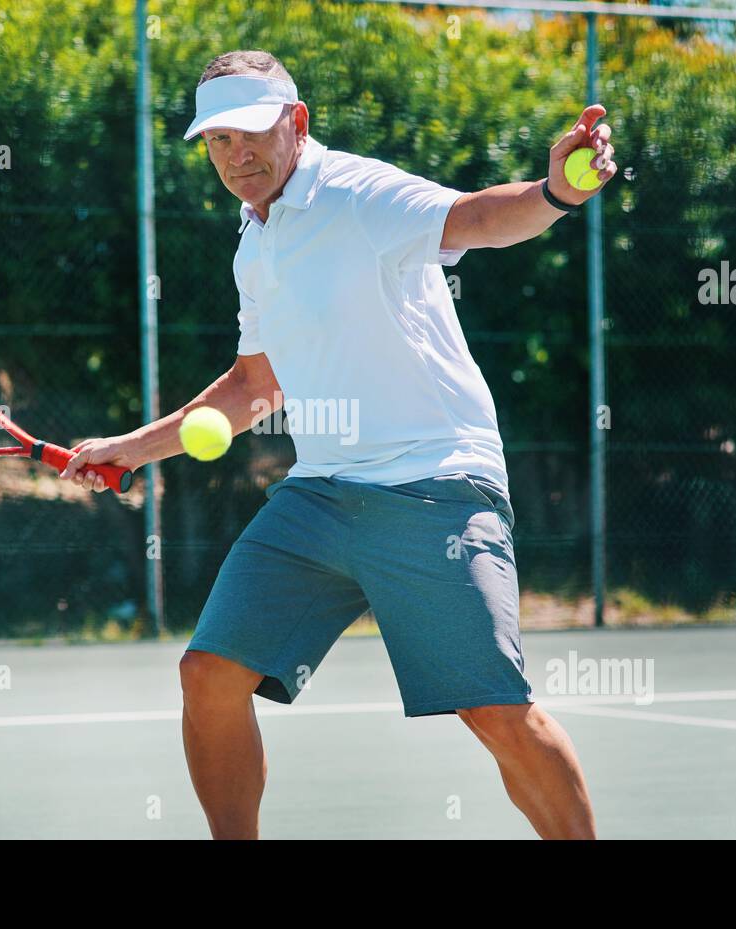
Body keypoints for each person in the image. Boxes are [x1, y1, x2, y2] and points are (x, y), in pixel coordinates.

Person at [61, 49, 616, 839]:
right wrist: (133, 447)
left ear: (297, 124)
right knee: (209, 673)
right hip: (322, 492)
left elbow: (482, 218)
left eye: (251, 134)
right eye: (218, 141)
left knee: (495, 709)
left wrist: (560, 190)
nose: (236, 155)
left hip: (433, 483)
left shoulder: (359, 193)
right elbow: (255, 384)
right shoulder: (253, 244)